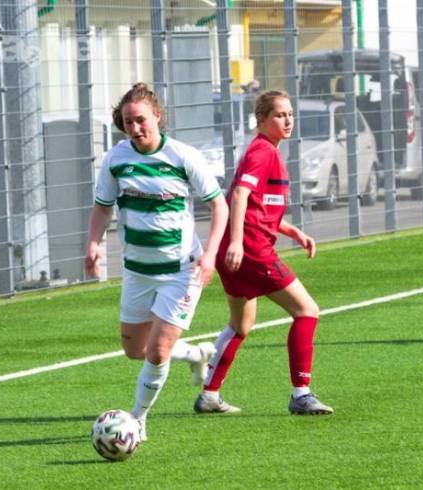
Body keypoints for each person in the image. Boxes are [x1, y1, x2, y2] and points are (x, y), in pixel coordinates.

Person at [84, 83, 229, 440]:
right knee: (136, 350)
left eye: (141, 120)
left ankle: (137, 420)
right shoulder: (116, 160)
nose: (135, 128)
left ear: (158, 117)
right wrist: (93, 243)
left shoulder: (183, 156)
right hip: (137, 271)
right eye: (128, 122)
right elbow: (102, 207)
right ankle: (195, 355)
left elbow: (219, 205)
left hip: (181, 271)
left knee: (158, 350)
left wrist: (210, 255)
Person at [194, 90, 334, 416]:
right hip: (251, 251)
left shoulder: (268, 151)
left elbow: (260, 207)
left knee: (240, 325)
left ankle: (209, 394)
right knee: (307, 311)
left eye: (290, 114)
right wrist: (237, 242)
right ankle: (301, 393)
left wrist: (293, 232)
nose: (288, 121)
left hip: (239, 251)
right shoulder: (262, 151)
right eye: (279, 115)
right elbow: (239, 196)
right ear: (261, 119)